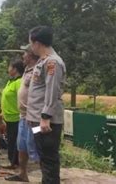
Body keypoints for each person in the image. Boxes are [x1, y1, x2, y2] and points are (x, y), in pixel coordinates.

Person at [26, 26, 66, 184]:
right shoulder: (43, 61)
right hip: (39, 121)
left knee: (49, 160)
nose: (30, 47)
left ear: (37, 43)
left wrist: (45, 117)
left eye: (31, 43)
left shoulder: (52, 62)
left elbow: (52, 90)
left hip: (47, 123)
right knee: (44, 158)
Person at [5, 45, 39, 182]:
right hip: (22, 117)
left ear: (31, 55)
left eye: (25, 53)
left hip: (34, 118)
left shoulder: (39, 70)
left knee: (36, 146)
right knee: (21, 146)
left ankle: (45, 175)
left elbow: (40, 95)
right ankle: (22, 174)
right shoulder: (26, 71)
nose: (23, 56)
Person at [0, 59, 24, 169]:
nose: (8, 69)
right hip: (8, 117)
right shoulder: (10, 81)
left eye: (9, 67)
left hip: (16, 117)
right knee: (11, 140)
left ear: (15, 69)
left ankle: (13, 162)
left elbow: (22, 99)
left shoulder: (19, 82)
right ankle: (13, 161)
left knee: (14, 141)